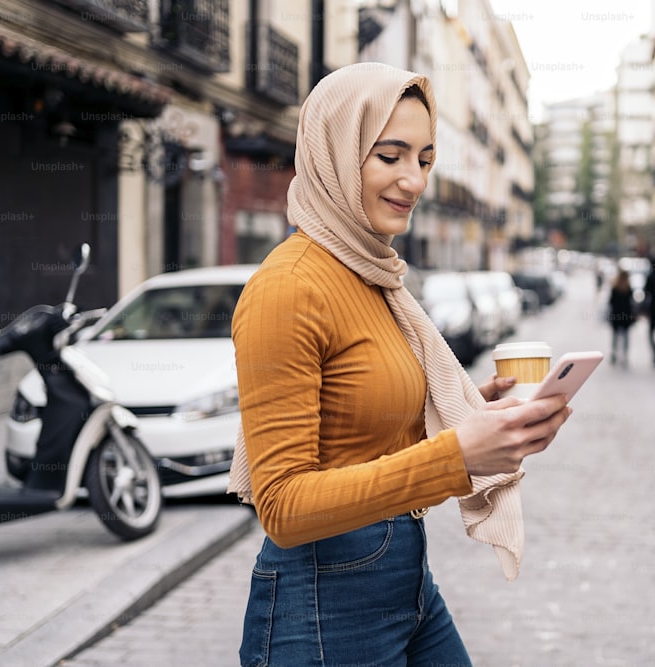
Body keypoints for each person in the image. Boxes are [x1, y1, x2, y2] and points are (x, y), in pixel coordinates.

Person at [226, 62, 572, 667]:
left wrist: (471, 416)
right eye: (390, 156)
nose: (413, 180)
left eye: (425, 158)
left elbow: (373, 434)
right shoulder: (289, 287)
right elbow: (281, 506)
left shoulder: (374, 277)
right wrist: (458, 454)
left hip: (405, 583)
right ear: (337, 151)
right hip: (322, 605)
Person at [607, 268, 634, 366]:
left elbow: (611, 302)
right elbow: (631, 302)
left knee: (615, 335)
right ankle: (625, 355)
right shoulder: (628, 288)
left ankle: (614, 353)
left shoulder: (615, 287)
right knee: (626, 336)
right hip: (626, 315)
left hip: (616, 315)